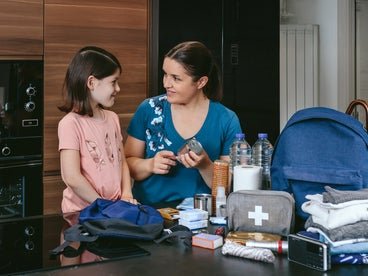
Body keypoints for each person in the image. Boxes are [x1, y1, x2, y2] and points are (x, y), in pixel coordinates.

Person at [124, 41, 242, 205]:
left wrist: (205, 165)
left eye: (176, 79)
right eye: (165, 74)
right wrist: (150, 165)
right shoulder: (149, 109)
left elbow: (228, 186)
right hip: (149, 215)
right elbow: (126, 163)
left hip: (200, 216)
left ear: (201, 82)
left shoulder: (226, 119)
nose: (166, 84)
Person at [58, 46, 136, 214]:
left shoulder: (112, 118)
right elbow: (72, 177)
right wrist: (102, 205)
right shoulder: (70, 123)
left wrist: (127, 194)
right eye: (113, 82)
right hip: (82, 213)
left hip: (113, 209)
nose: (118, 88)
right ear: (92, 83)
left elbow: (122, 162)